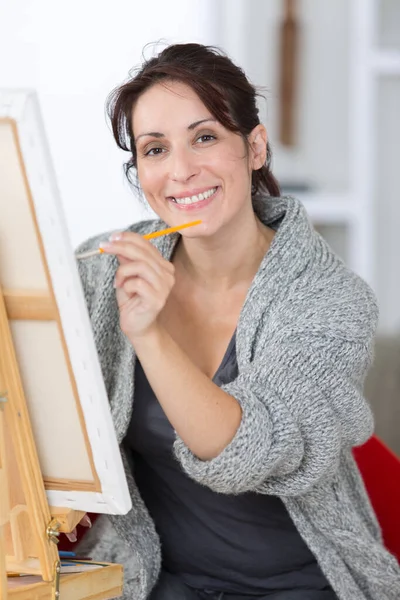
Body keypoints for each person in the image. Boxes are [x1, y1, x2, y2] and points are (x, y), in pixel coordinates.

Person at [75, 43, 400, 600]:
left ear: (254, 147)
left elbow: (247, 453)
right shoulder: (104, 275)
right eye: (155, 149)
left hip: (304, 586)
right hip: (158, 582)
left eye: (204, 137)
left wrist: (150, 336)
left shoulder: (329, 301)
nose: (180, 171)